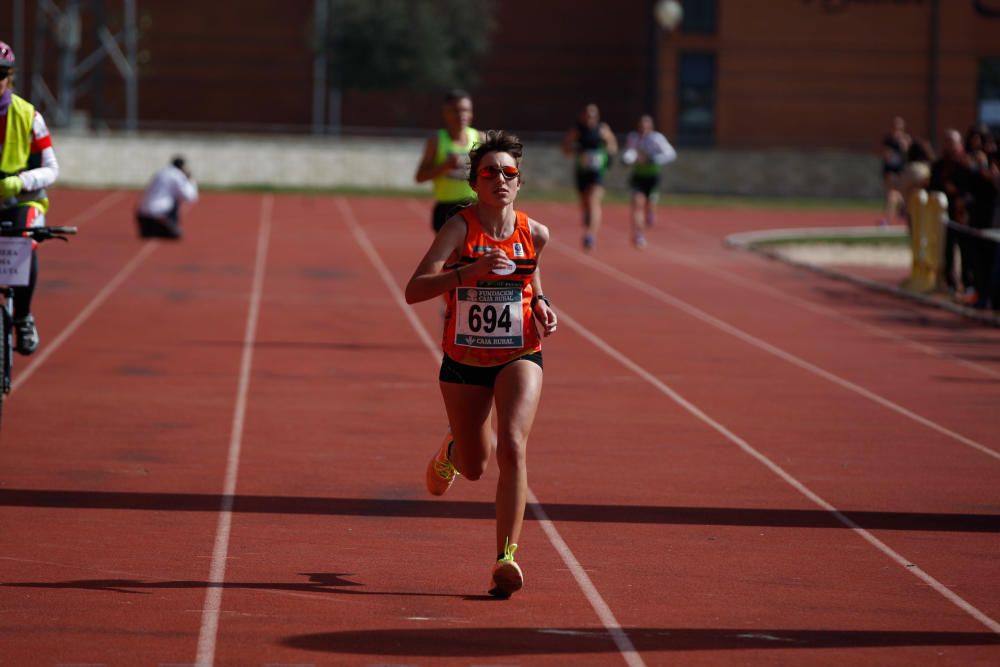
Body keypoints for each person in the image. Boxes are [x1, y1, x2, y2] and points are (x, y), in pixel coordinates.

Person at [404, 130, 557, 598]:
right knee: (475, 466)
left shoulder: (535, 233)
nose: (500, 180)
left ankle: (505, 559)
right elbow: (415, 289)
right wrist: (469, 272)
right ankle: (453, 450)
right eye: (490, 172)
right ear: (474, 181)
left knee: (513, 443)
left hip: (519, 353)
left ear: (519, 182)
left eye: (509, 173)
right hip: (464, 359)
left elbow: (533, 280)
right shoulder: (458, 228)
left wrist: (543, 305)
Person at [0, 40, 59, 356]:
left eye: (0, 73)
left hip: (22, 200)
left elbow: (51, 169)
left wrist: (19, 182)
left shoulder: (28, 116)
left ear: (10, 77)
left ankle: (22, 316)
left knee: (24, 239)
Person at [414, 89, 484, 233]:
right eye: (456, 110)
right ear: (446, 113)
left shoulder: (480, 138)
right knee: (450, 255)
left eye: (466, 110)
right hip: (446, 208)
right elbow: (420, 177)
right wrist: (444, 167)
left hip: (474, 206)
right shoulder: (436, 141)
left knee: (474, 254)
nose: (462, 115)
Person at [562, 103, 617, 250]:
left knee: (593, 200)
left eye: (592, 115)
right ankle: (587, 214)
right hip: (582, 172)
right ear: (582, 116)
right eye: (587, 114)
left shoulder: (603, 130)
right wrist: (574, 148)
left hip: (597, 171)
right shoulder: (577, 130)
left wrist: (607, 154)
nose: (589, 117)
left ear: (597, 116)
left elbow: (612, 146)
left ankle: (590, 234)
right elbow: (565, 149)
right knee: (585, 201)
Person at [621, 114, 677, 248]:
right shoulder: (633, 137)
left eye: (646, 125)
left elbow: (670, 153)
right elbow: (630, 151)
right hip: (638, 176)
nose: (643, 128)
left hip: (652, 176)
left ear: (651, 126)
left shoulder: (656, 138)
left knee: (649, 205)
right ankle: (639, 235)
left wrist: (654, 159)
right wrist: (627, 159)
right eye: (641, 125)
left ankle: (651, 211)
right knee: (637, 204)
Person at [135, 156, 198, 239]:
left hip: (141, 213)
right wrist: (190, 180)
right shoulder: (177, 175)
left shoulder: (161, 172)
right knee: (177, 234)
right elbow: (190, 197)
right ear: (182, 167)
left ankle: (152, 230)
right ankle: (170, 226)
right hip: (160, 213)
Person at [880, 116, 911, 226]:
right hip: (890, 171)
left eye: (899, 126)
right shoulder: (888, 140)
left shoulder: (905, 139)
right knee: (892, 194)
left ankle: (899, 211)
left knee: (896, 195)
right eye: (895, 125)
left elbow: (908, 155)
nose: (896, 128)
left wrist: (904, 145)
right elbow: (885, 155)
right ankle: (888, 218)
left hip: (901, 172)